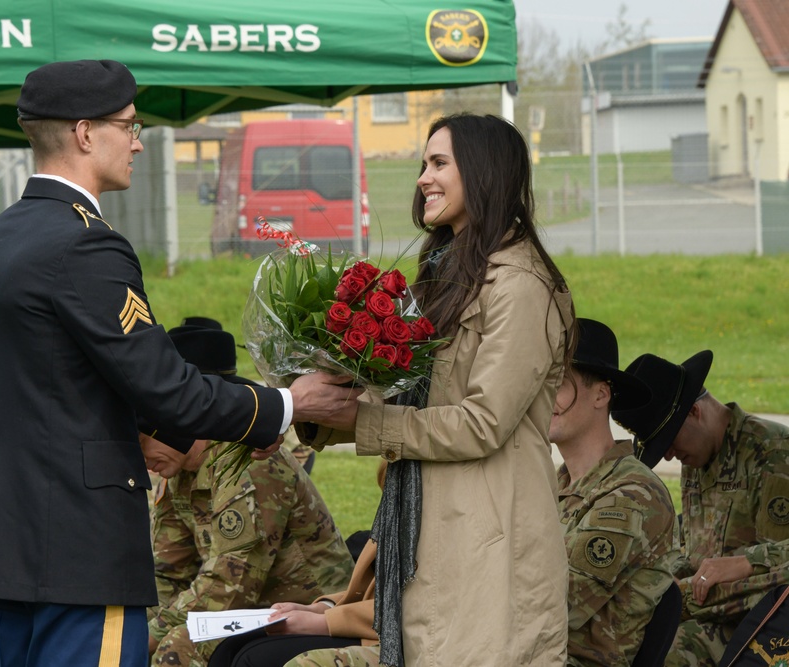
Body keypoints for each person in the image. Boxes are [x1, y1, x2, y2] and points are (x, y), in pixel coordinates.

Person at [0, 59, 354, 667]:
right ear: (86, 134)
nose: (139, 142)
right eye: (130, 125)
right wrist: (291, 402)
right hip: (79, 549)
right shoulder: (85, 241)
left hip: (5, 544)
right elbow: (170, 392)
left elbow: (66, 386)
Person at [300, 113, 576, 666]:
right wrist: (311, 405)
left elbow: (481, 423)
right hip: (432, 541)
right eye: (424, 164)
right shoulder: (446, 269)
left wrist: (365, 423)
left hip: (492, 554)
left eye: (439, 163)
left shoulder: (521, 285)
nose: (423, 177)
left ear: (484, 172)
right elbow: (410, 394)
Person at [144, 322, 354, 667]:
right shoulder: (177, 465)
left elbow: (231, 583)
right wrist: (138, 628)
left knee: (173, 654)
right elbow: (170, 572)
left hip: (311, 614)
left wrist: (150, 637)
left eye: (142, 439)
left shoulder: (248, 459)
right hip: (244, 613)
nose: (142, 461)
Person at [612, 351, 789, 667]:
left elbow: (776, 577)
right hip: (702, 613)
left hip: (759, 625)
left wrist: (744, 564)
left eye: (668, 440)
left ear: (694, 412)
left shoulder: (773, 454)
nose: (667, 456)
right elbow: (696, 553)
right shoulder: (697, 455)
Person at [551, 318, 677, 665]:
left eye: (557, 383)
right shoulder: (554, 484)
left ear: (601, 394)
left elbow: (556, 608)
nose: (542, 396)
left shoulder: (632, 494)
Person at [212, 462, 389, 667]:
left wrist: (324, 621)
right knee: (231, 648)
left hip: (398, 637)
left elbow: (412, 609)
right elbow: (378, 590)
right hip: (367, 621)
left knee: (257, 659)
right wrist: (321, 608)